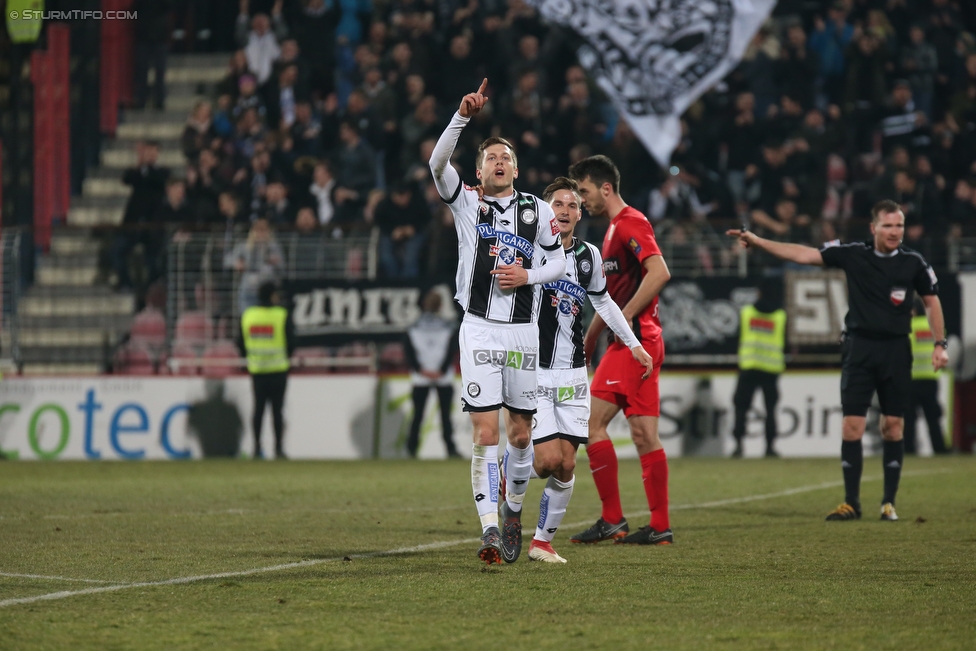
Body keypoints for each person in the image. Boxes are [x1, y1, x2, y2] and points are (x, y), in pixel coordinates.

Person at [727, 199, 948, 521]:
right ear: (873, 228)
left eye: (899, 225)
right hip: (860, 348)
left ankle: (889, 502)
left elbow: (932, 302)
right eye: (887, 225)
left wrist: (939, 343)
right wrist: (759, 241)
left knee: (893, 426)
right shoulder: (853, 254)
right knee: (851, 426)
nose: (894, 231)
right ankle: (851, 503)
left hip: (896, 351)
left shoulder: (913, 263)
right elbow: (802, 254)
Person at [428, 79, 567, 565]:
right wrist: (462, 116)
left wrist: (529, 273)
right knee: (485, 433)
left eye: (505, 156)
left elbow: (559, 265)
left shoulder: (540, 210)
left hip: (523, 333)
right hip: (479, 327)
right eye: (491, 158)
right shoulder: (466, 201)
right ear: (480, 169)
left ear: (516, 167)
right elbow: (435, 164)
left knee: (522, 435)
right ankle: (490, 530)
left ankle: (512, 510)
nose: (499, 162)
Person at [525, 177, 654, 563]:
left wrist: (634, 344)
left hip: (573, 373)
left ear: (580, 214)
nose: (565, 211)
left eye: (572, 205)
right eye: (558, 205)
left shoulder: (589, 256)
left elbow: (605, 303)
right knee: (546, 461)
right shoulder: (530, 250)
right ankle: (502, 473)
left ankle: (541, 543)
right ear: (546, 210)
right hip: (536, 370)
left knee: (567, 463)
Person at [567, 155, 674, 546]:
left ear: (605, 188)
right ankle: (660, 526)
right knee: (645, 434)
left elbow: (659, 271)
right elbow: (611, 297)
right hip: (642, 342)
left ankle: (612, 518)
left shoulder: (630, 222)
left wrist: (625, 318)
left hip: (635, 343)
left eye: (583, 190)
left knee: (589, 424)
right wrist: (593, 335)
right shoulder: (613, 230)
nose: (581, 199)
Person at [236, 281, 294, 460]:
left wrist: (251, 357)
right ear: (272, 295)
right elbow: (292, 342)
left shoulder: (248, 316)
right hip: (278, 370)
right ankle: (278, 449)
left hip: (257, 371)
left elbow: (239, 342)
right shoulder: (281, 314)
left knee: (258, 411)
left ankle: (256, 449)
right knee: (277, 412)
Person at [732, 281, 787, 458]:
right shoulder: (780, 316)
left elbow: (738, 337)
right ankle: (770, 448)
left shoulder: (747, 313)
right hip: (771, 368)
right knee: (770, 410)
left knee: (741, 408)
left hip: (749, 367)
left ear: (759, 293)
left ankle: (739, 446)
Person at [404, 289, 460, 459]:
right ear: (441, 305)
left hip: (421, 376)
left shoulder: (413, 327)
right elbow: (452, 350)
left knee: (418, 416)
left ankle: (411, 449)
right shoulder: (448, 326)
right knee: (445, 417)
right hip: (442, 377)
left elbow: (408, 351)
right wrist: (441, 370)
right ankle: (450, 449)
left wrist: (420, 370)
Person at [904, 298, 949, 455]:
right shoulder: (933, 328)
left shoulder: (908, 327)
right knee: (933, 417)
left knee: (909, 419)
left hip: (911, 379)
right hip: (931, 377)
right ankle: (940, 448)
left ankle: (909, 449)